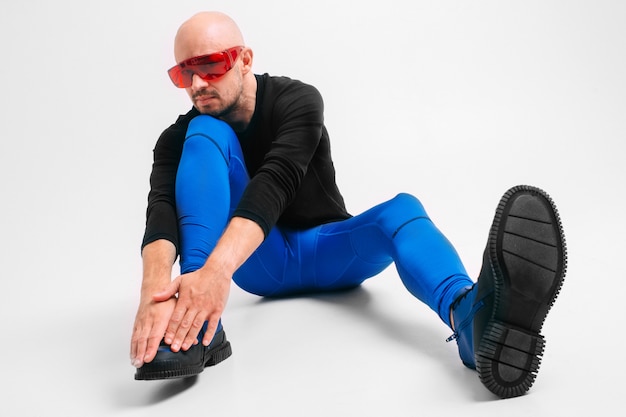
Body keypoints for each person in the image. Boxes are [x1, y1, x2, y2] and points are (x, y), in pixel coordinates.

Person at [130, 11, 567, 399]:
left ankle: (470, 317)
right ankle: (200, 321)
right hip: (261, 264)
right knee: (206, 132)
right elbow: (162, 210)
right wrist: (155, 296)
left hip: (329, 249)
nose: (197, 84)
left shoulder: (297, 99)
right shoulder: (179, 137)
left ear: (245, 59)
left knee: (401, 208)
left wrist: (216, 274)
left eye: (210, 64)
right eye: (183, 73)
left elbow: (276, 180)